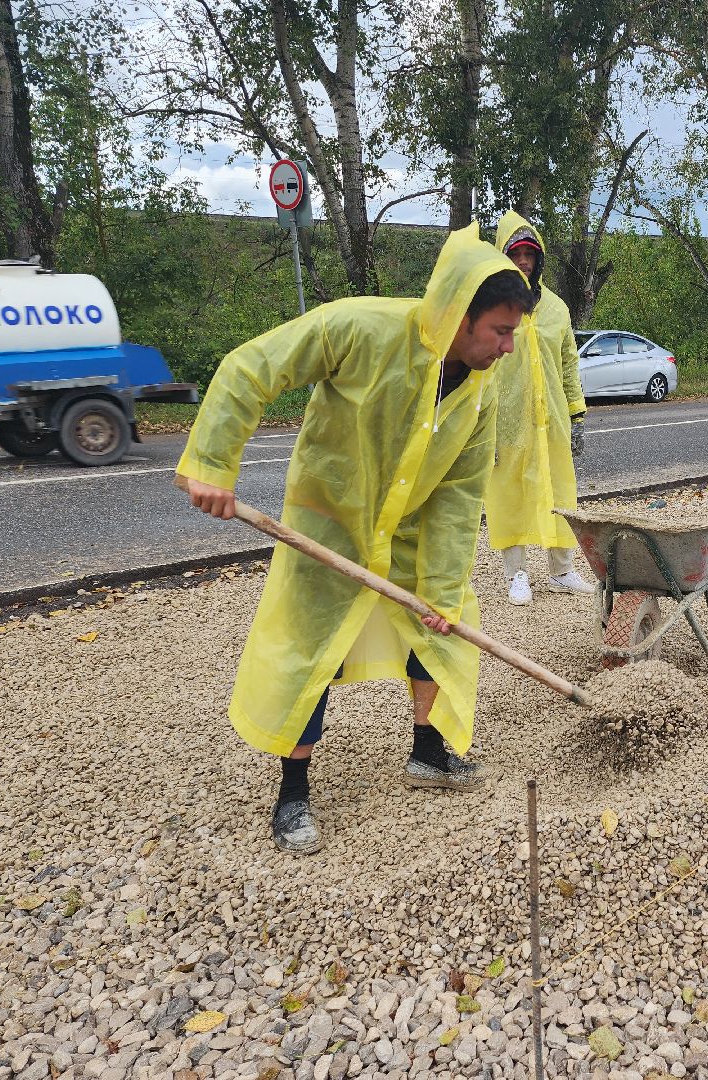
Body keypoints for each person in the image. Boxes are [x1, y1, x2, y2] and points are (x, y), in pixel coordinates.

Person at [177, 226, 533, 855]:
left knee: (441, 622)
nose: (508, 347)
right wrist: (212, 463)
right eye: (500, 331)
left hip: (408, 530)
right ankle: (292, 794)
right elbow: (251, 368)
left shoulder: (479, 394)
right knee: (311, 649)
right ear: (459, 315)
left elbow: (457, 499)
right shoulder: (359, 329)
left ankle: (427, 751)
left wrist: (442, 594)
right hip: (329, 522)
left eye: (512, 333)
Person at [483, 212, 596, 605]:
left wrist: (577, 417)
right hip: (506, 423)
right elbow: (478, 370)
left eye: (530, 254)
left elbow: (568, 365)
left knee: (559, 494)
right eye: (516, 253)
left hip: (553, 423)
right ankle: (516, 575)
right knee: (509, 494)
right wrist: (481, 428)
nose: (524, 262)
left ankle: (562, 569)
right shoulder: (489, 307)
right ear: (503, 255)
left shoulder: (557, 310)